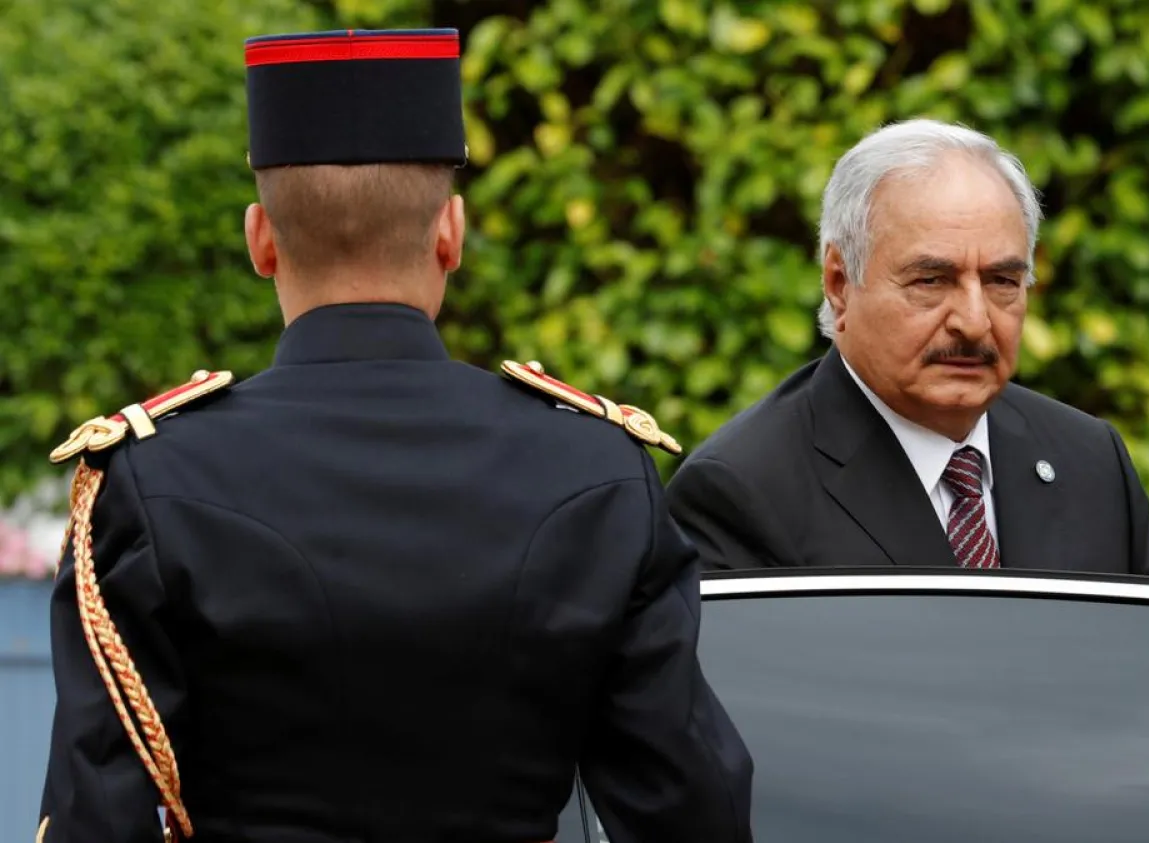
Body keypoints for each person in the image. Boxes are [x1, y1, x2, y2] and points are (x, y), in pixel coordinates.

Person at [36, 28, 753, 843]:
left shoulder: (148, 476)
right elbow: (695, 811)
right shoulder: (596, 468)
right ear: (452, 232)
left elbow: (96, 819)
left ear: (260, 242)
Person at [665, 119, 1149, 578]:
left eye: (1002, 280)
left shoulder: (1088, 458)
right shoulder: (744, 492)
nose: (975, 323)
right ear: (840, 284)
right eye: (931, 280)